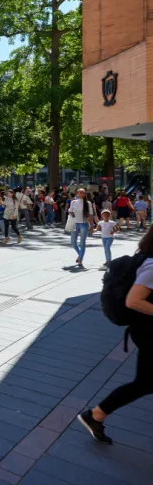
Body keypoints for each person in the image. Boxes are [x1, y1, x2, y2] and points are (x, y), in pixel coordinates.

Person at [77, 225, 153, 444]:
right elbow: (133, 301)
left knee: (145, 382)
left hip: (146, 331)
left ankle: (96, 415)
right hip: (148, 333)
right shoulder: (151, 265)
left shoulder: (146, 258)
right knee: (145, 383)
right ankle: (95, 414)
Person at [69, 188, 95, 268]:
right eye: (79, 192)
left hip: (84, 224)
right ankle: (80, 254)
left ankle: (80, 259)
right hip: (75, 223)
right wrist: (72, 214)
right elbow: (70, 212)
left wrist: (91, 226)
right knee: (73, 242)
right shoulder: (73, 202)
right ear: (76, 194)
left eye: (83, 192)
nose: (81, 194)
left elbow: (90, 215)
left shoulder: (88, 203)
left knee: (82, 242)